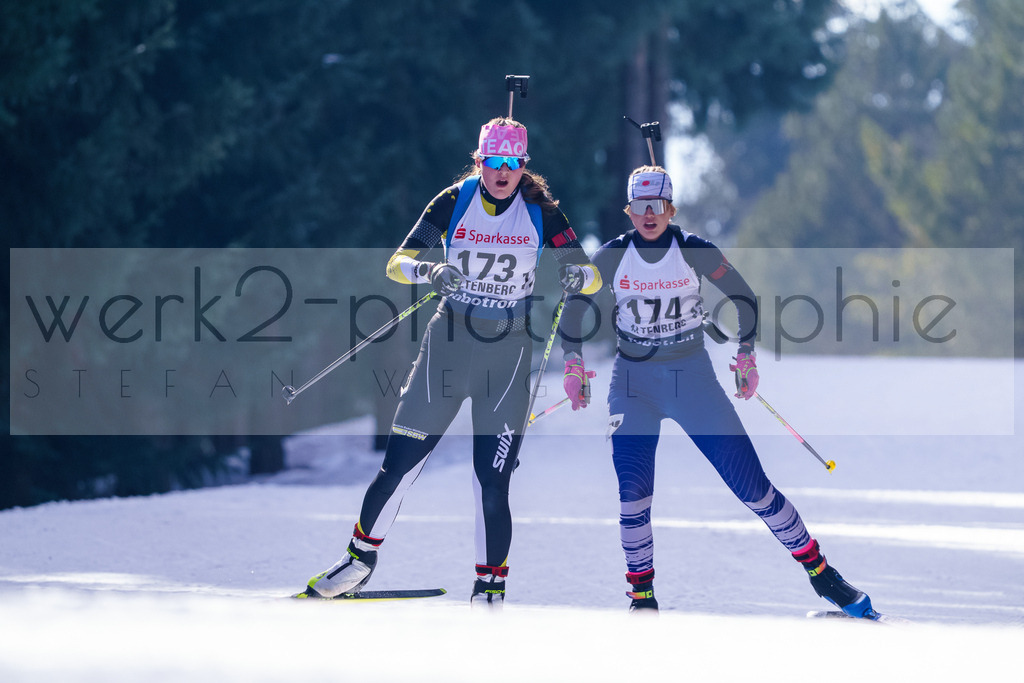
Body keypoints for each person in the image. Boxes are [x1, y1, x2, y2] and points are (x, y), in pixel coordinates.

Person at [298, 117, 602, 607]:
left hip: (508, 353)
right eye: (493, 161)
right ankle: (357, 562)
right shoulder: (453, 199)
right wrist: (431, 269)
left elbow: (588, 277)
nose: (502, 171)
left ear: (524, 167)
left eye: (513, 163)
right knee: (399, 463)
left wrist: (577, 280)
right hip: (449, 343)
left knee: (494, 480)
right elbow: (397, 263)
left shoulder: (542, 214)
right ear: (479, 161)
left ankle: (490, 587)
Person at [559, 165, 876, 617]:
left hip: (693, 380)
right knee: (633, 491)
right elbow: (573, 310)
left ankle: (822, 574)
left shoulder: (694, 251)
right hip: (633, 384)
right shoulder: (612, 255)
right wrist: (574, 365)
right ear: (629, 211)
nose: (648, 216)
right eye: (639, 207)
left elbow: (744, 299)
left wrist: (746, 356)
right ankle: (641, 598)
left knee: (753, 488)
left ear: (671, 208)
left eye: (657, 206)